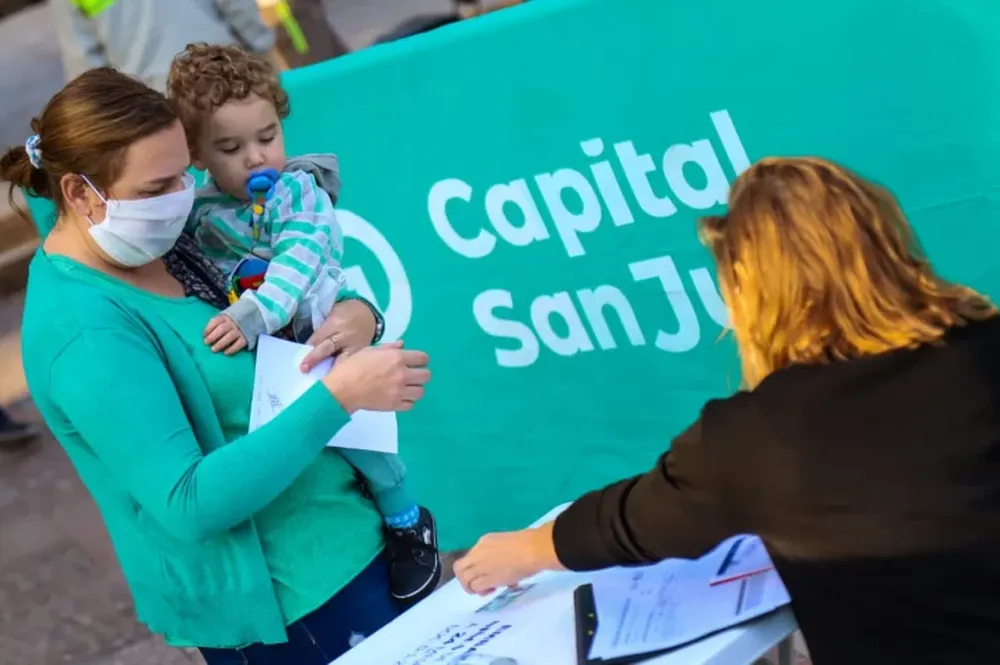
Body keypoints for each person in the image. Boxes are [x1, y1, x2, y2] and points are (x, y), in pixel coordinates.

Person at [455, 157, 1000, 664]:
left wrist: (524, 549)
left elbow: (635, 520)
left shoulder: (758, 436)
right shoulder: (984, 346)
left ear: (752, 291)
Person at [0, 67, 431, 665]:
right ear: (78, 193)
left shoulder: (157, 234)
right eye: (157, 187)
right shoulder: (83, 331)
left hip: (354, 539)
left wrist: (360, 315)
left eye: (185, 171)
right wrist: (340, 398)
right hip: (292, 605)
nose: (181, 196)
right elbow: (188, 502)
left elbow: (287, 286)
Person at [165, 42, 441, 605]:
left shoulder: (298, 188)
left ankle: (409, 524)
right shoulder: (195, 209)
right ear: (195, 153)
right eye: (230, 147)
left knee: (365, 443)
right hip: (262, 355)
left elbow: (300, 256)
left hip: (314, 334)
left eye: (267, 137)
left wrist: (254, 312)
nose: (256, 158)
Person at [48, 0, 276, 93]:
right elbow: (238, 7)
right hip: (223, 70)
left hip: (151, 98)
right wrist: (261, 49)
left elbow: (83, 61)